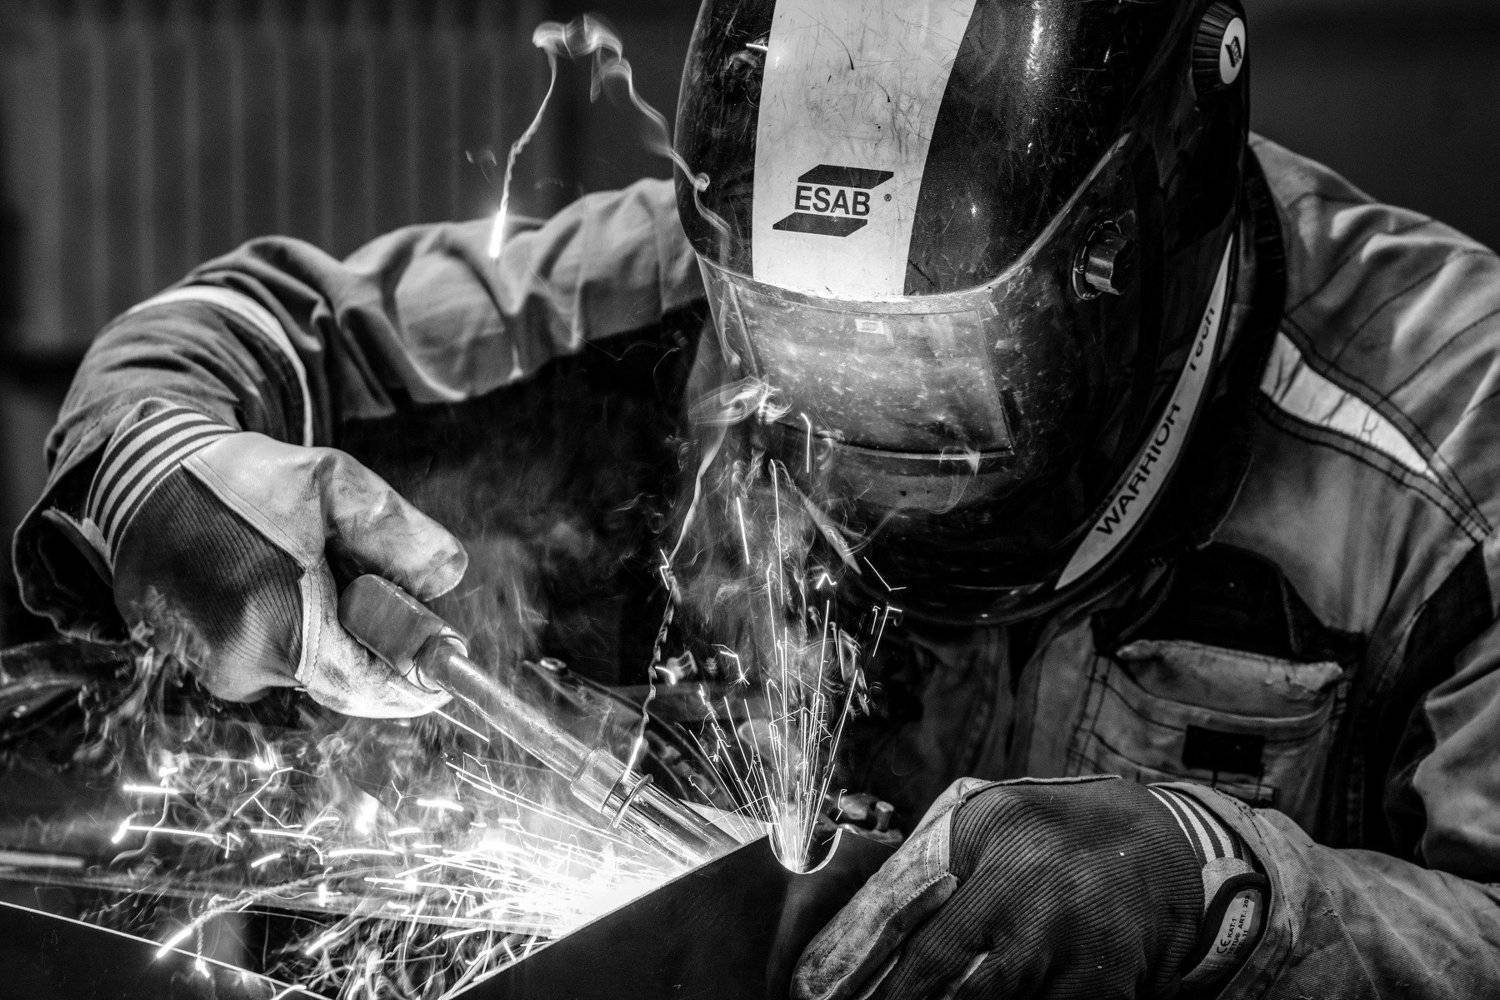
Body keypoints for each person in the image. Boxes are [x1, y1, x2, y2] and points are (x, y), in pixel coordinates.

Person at [13, 0, 1500, 996]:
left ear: (1135, 236)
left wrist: (1221, 890)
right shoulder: (678, 283)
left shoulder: (1455, 426)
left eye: (931, 363)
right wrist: (155, 469)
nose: (843, 433)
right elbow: (246, 324)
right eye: (792, 343)